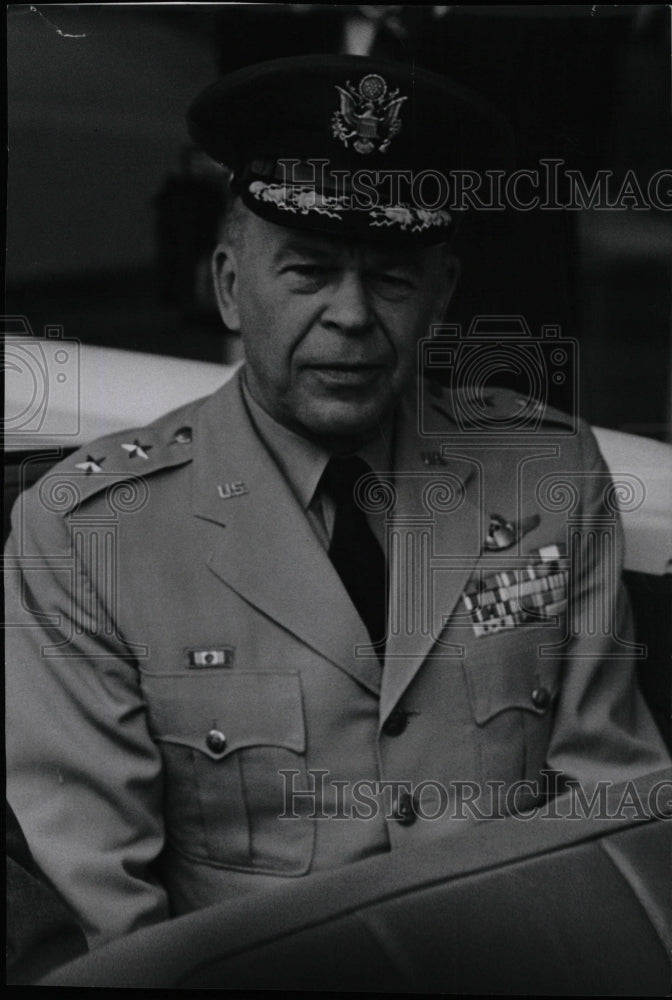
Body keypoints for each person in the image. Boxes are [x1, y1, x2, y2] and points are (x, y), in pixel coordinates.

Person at [5, 54, 669, 949]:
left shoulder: (547, 476)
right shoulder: (91, 537)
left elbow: (618, 809)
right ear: (232, 287)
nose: (352, 315)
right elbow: (106, 920)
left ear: (441, 297)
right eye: (309, 272)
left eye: (392, 278)